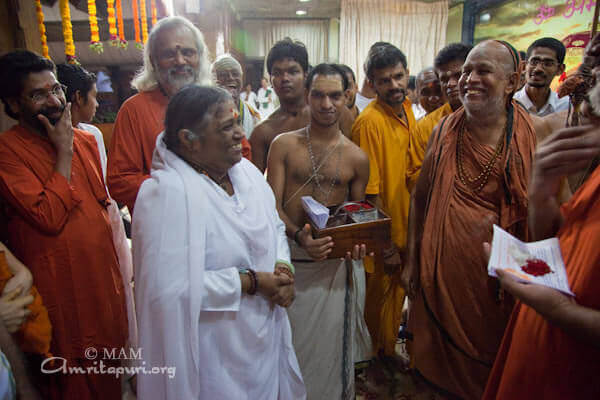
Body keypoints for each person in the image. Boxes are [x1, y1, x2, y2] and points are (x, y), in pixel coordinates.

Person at [133, 85, 305, 399]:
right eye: (226, 127)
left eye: (237, 121)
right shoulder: (164, 195)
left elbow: (275, 227)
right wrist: (249, 282)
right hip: (212, 350)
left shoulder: (248, 176)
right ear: (189, 140)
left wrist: (283, 269)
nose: (241, 133)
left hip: (263, 335)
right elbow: (167, 289)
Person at [404, 40, 537, 399]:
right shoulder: (443, 131)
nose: (468, 79)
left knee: (497, 372)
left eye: (483, 71)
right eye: (466, 71)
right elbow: (421, 197)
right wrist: (413, 261)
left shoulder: (535, 133)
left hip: (500, 282)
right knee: (436, 377)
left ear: (511, 82)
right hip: (442, 272)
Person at [0, 50, 127, 399]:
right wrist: (64, 152)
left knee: (109, 379)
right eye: (37, 94)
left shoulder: (86, 140)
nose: (54, 101)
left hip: (102, 292)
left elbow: (103, 212)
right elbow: (49, 215)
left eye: (55, 89)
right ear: (13, 104)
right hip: (60, 299)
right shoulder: (7, 152)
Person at [482, 34, 600, 400]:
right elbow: (563, 244)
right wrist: (542, 193)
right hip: (538, 355)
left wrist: (561, 312)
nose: (589, 70)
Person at [267, 63, 371, 399]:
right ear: (308, 97)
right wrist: (299, 236)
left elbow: (354, 221)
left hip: (332, 268)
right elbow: (272, 208)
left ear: (347, 97)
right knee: (288, 348)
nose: (326, 104)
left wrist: (355, 247)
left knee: (330, 352)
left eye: (335, 96)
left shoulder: (357, 158)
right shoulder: (283, 145)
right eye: (318, 95)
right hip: (288, 261)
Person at [56, 63, 137, 370]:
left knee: (120, 295)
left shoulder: (91, 134)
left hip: (107, 218)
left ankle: (126, 361)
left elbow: (106, 183)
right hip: (83, 229)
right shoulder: (65, 140)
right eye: (94, 98)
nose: (97, 105)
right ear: (77, 98)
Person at [107, 16, 214, 212]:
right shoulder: (134, 110)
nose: (180, 61)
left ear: (199, 57)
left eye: (188, 52)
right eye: (169, 54)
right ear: (153, 61)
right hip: (162, 228)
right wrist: (179, 187)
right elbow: (119, 182)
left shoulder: (216, 104)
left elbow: (241, 158)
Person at [351, 42, 415, 362]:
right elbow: (369, 193)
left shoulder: (408, 109)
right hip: (383, 240)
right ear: (371, 84)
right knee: (375, 311)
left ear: (407, 73)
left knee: (394, 303)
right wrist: (386, 244)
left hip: (407, 231)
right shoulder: (369, 122)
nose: (394, 85)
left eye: (399, 76)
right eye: (384, 80)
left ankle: (387, 356)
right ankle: (373, 369)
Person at [407, 43, 473, 191]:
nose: (451, 84)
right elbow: (413, 180)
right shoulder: (426, 127)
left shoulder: (492, 117)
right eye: (444, 79)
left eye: (458, 75)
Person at [249, 38, 311, 173]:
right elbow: (254, 185)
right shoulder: (263, 132)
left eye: (293, 71)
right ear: (270, 80)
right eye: (277, 73)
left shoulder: (328, 117)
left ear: (306, 75)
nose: (285, 79)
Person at [212, 54, 260, 145]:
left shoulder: (253, 114)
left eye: (235, 74)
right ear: (213, 80)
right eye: (223, 75)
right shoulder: (205, 113)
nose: (230, 78)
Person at [514, 37, 569, 116]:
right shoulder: (509, 104)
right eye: (534, 62)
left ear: (560, 69)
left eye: (547, 64)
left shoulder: (566, 106)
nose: (538, 69)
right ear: (524, 66)